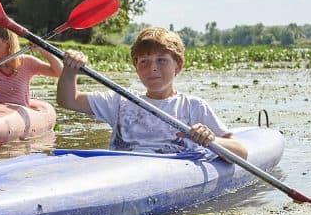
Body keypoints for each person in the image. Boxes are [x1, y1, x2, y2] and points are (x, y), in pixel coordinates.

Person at [57, 26, 248, 161]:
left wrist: (211, 139)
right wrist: (70, 70)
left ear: (178, 66)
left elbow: (240, 152)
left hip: (170, 173)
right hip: (120, 170)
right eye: (144, 62)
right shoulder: (120, 100)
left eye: (161, 60)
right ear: (136, 67)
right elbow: (68, 100)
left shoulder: (193, 106)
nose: (152, 69)